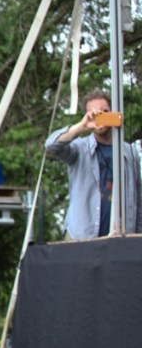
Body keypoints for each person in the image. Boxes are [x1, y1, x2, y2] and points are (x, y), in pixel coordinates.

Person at [44, 89, 142, 239]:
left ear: (113, 112)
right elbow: (51, 146)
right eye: (94, 114)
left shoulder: (130, 152)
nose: (99, 117)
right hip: (82, 236)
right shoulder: (79, 149)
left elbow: (138, 200)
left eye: (104, 112)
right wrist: (81, 126)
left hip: (121, 238)